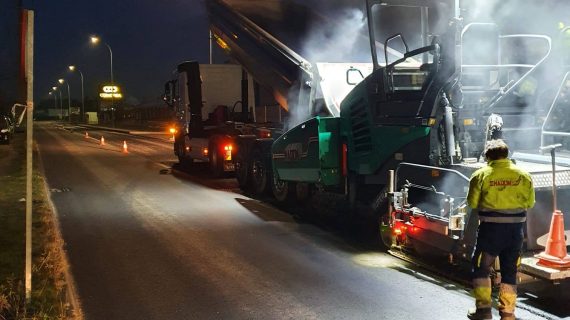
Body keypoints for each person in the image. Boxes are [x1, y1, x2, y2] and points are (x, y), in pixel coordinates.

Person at [466, 139, 535, 320]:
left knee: (481, 268)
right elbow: (530, 203)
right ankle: (508, 313)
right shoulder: (523, 175)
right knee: (510, 270)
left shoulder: (481, 175)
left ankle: (483, 311)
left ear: (488, 156)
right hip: (515, 232)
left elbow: (472, 203)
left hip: (491, 231)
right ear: (506, 155)